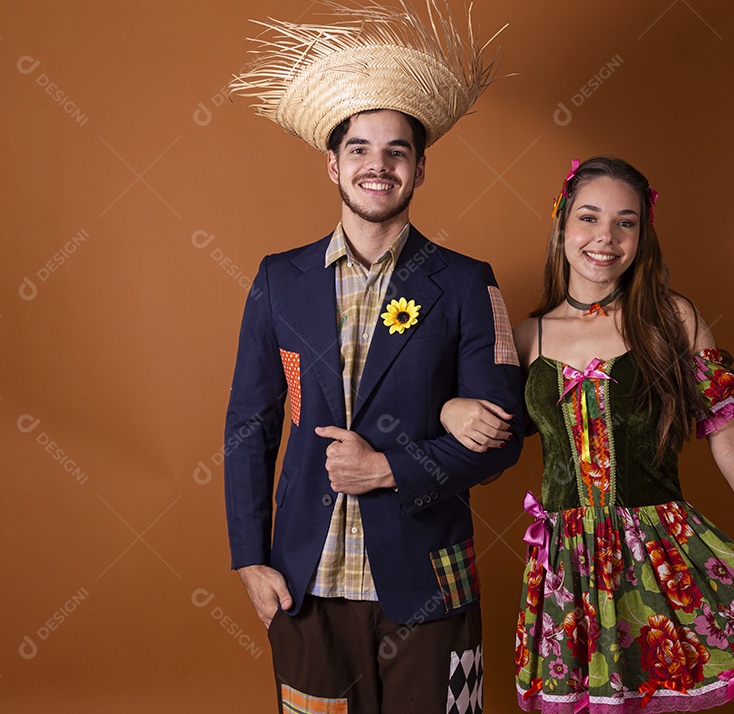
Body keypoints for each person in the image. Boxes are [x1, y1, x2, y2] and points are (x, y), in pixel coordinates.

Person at [441, 156, 734, 712]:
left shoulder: (671, 319)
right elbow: (486, 435)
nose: (604, 237)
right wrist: (449, 410)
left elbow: (732, 443)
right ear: (562, 224)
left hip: (658, 559)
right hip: (567, 571)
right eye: (588, 217)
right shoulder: (526, 337)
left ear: (642, 235)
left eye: (625, 222)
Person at [223, 2, 521, 712]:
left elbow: (500, 436)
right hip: (306, 577)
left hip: (431, 580)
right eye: (359, 148)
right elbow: (251, 423)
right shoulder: (278, 280)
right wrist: (248, 557)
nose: (377, 165)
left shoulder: (467, 282)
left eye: (396, 152)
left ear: (420, 169)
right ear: (333, 164)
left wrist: (389, 468)